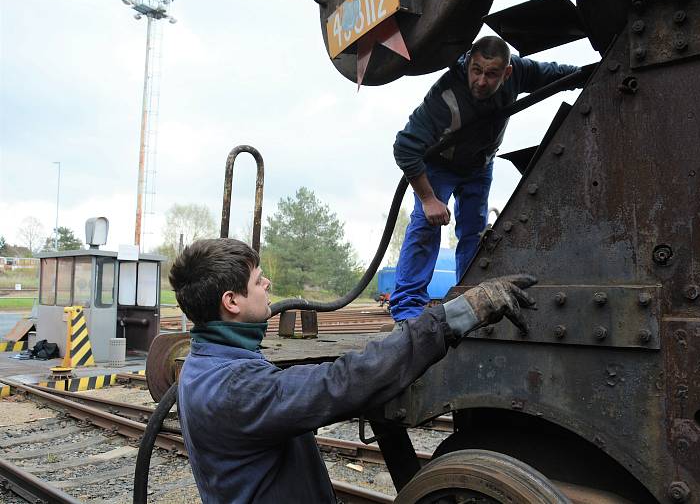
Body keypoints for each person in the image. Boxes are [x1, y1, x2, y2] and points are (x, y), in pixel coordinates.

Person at [169, 237, 537, 503]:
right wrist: (456, 316)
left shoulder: (208, 360)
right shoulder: (234, 386)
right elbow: (339, 383)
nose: (268, 285)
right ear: (231, 302)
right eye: (258, 280)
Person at [390, 36, 580, 323]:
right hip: (439, 166)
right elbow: (404, 147)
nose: (480, 81)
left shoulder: (522, 71)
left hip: (479, 166)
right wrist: (429, 198)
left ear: (507, 73)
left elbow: (558, 74)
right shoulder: (445, 95)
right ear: (468, 64)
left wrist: (591, 73)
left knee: (474, 232)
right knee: (425, 226)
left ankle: (469, 300)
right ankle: (407, 312)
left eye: (491, 74)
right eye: (476, 70)